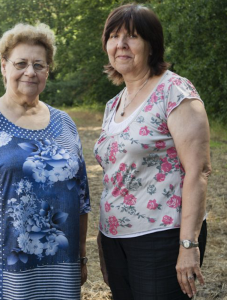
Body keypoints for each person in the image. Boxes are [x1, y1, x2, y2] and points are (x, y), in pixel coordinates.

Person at [0, 23, 90, 300]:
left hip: (58, 269)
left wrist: (81, 257)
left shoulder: (65, 124)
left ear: (48, 70)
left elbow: (81, 197)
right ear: (4, 66)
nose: (30, 72)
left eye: (39, 65)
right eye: (21, 63)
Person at [94, 3, 211, 300]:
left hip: (162, 238)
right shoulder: (113, 104)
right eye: (113, 36)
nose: (120, 45)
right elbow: (115, 175)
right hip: (115, 239)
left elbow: (198, 172)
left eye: (131, 36)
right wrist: (103, 241)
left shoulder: (174, 92)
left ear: (151, 44)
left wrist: (188, 245)